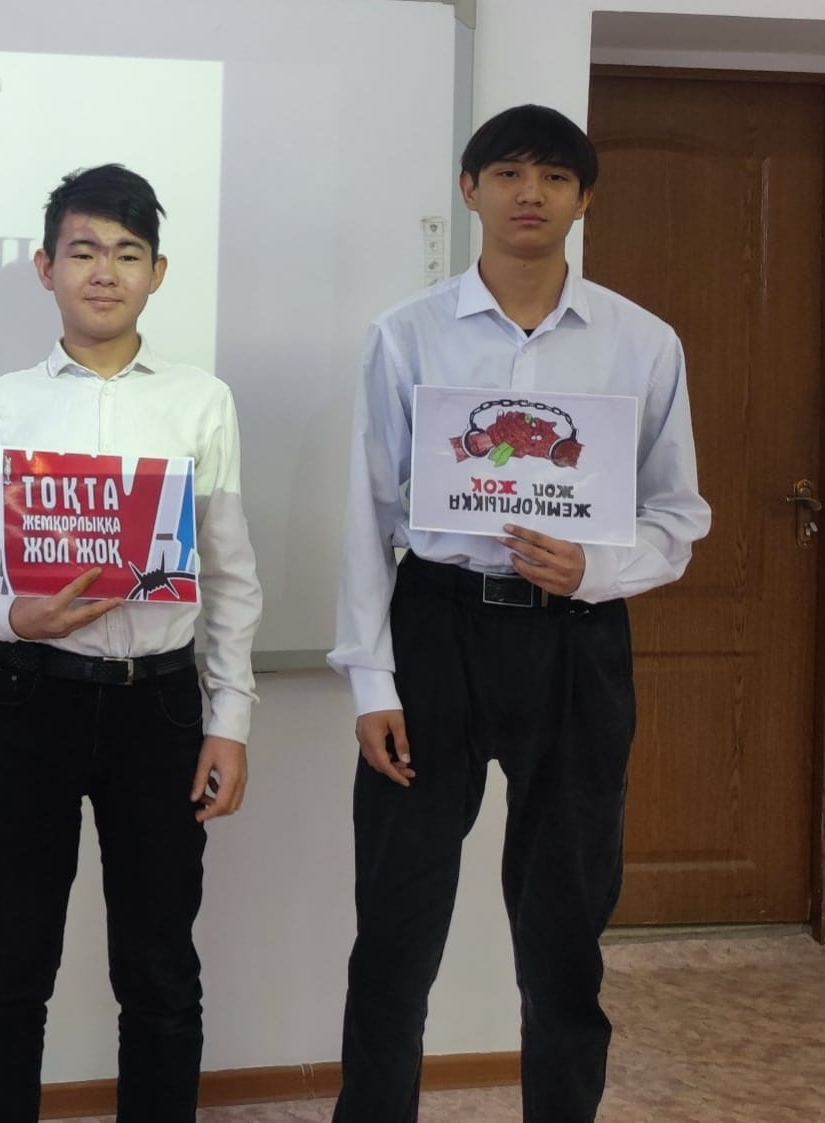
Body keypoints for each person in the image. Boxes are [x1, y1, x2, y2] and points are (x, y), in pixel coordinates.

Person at [326, 104, 711, 1123]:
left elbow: (679, 513)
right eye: (506, 173)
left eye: (552, 177)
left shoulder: (642, 342)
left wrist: (595, 567)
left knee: (564, 933)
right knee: (395, 929)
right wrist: (370, 680)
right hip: (435, 630)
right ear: (470, 190)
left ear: (584, 199)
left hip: (576, 642)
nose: (528, 194)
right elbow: (367, 511)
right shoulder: (405, 334)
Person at [0, 164, 262, 1122]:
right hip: (31, 696)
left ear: (157, 272)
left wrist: (230, 720)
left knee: (159, 969)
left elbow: (230, 575)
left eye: (127, 253)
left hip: (159, 705)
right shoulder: (7, 403)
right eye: (83, 251)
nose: (104, 271)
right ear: (47, 267)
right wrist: (15, 614)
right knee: (10, 964)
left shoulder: (202, 401)